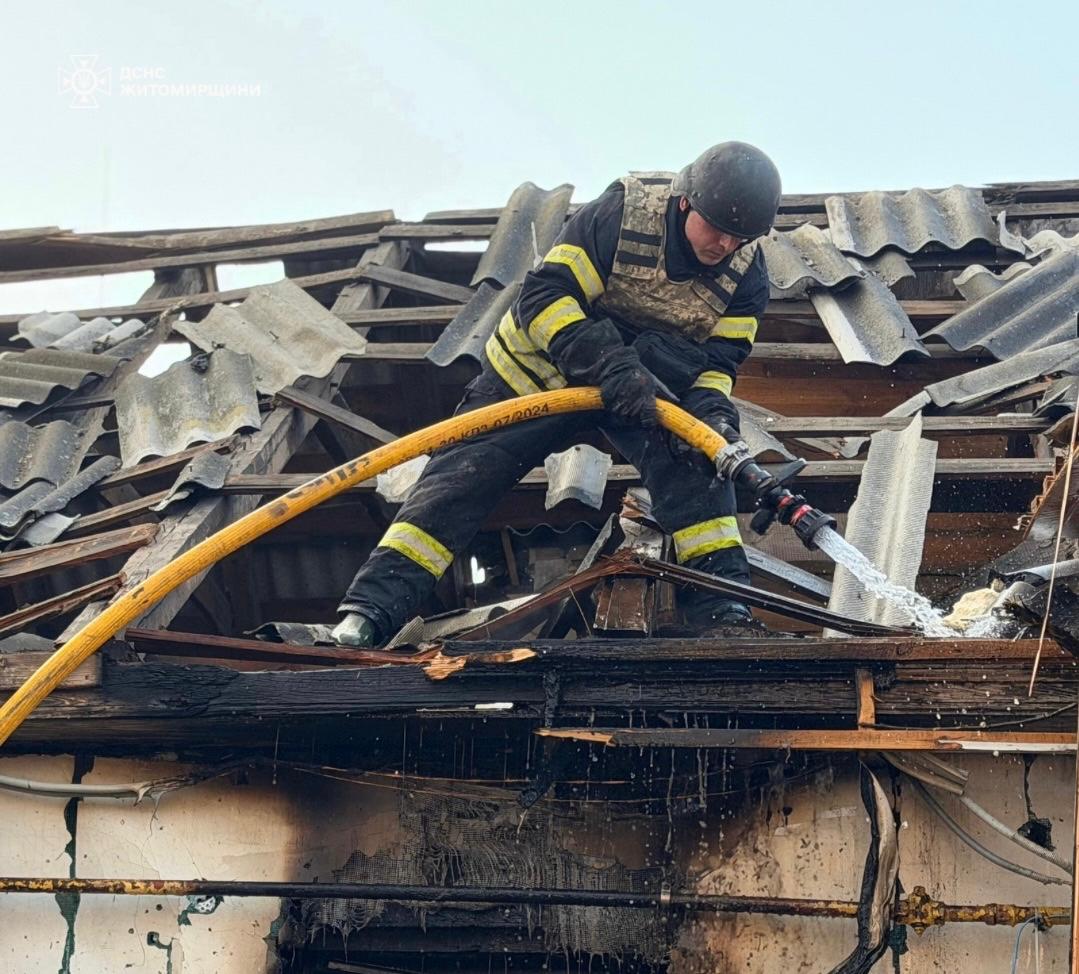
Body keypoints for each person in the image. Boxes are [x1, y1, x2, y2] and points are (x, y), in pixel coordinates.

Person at [334, 142, 781, 648]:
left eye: (739, 236)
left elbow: (717, 366)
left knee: (699, 466)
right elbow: (543, 297)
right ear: (685, 203)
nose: (725, 244)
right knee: (460, 478)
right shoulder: (622, 214)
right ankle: (368, 614)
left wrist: (714, 422)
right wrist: (609, 364)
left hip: (640, 392)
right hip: (532, 376)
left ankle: (724, 611)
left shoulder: (748, 275)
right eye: (716, 227)